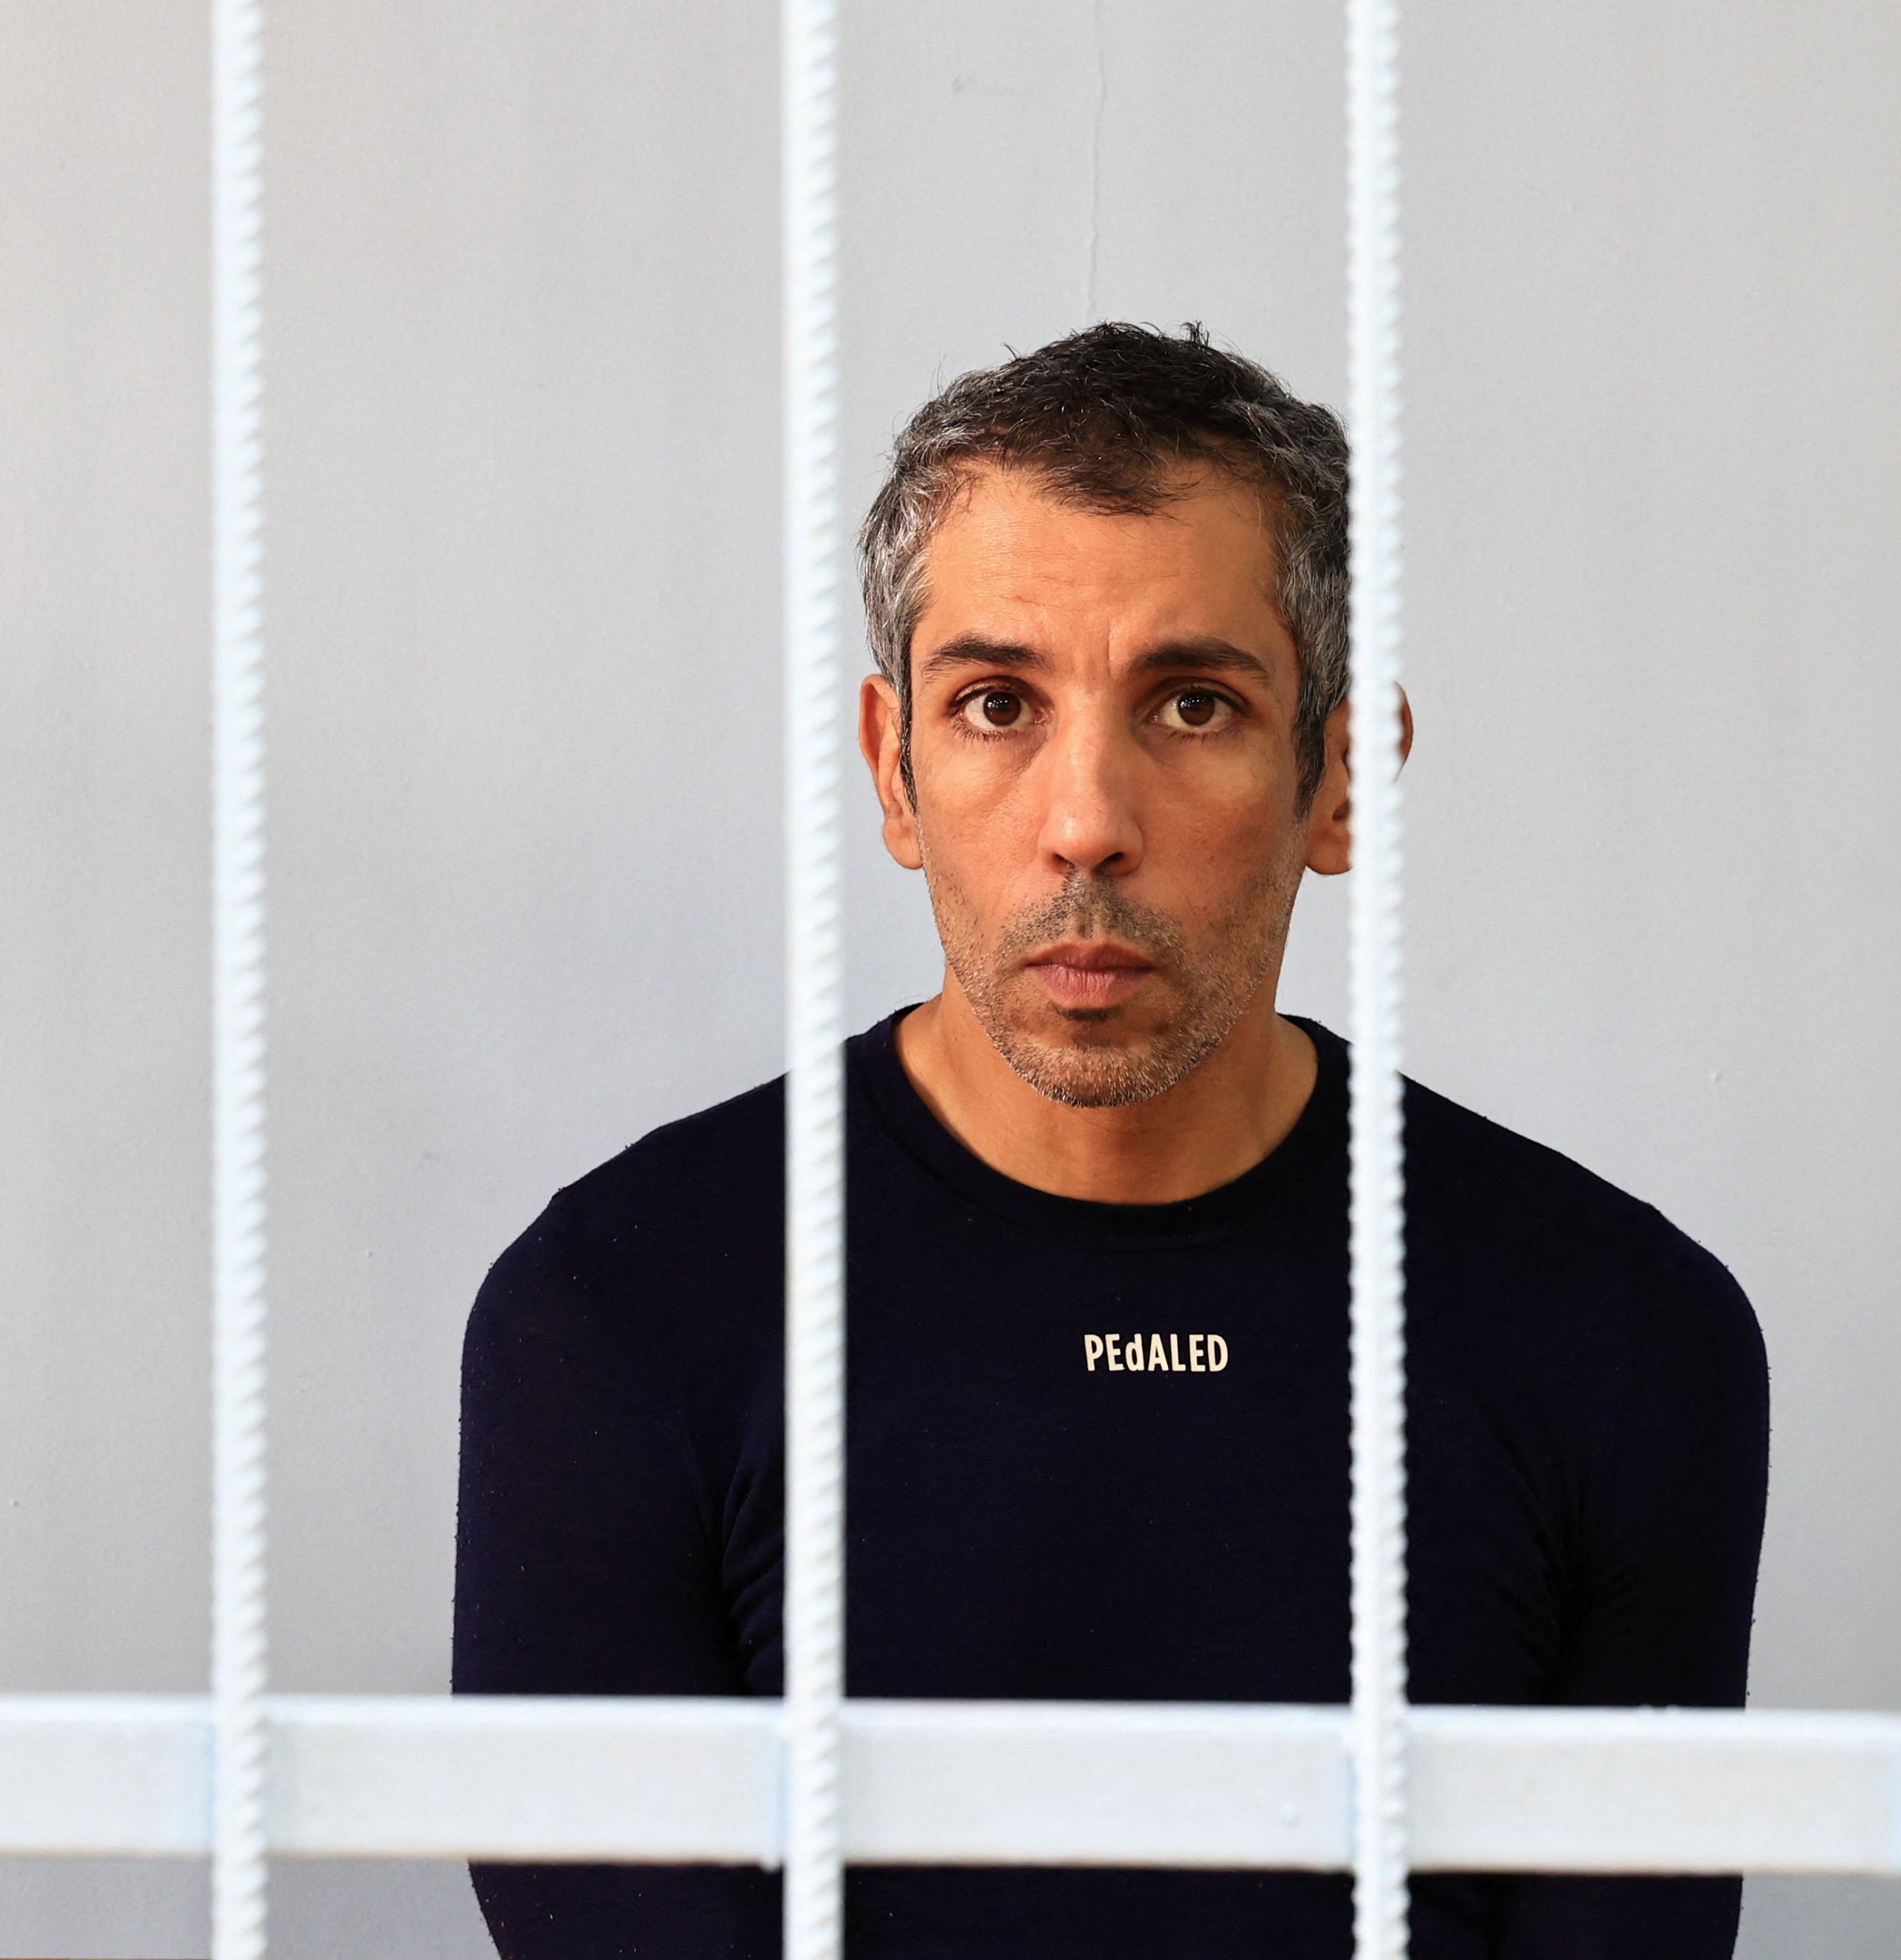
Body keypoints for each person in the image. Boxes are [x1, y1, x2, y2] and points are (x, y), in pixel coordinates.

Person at [453, 322, 1769, 1959]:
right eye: (996, 701)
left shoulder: (1621, 1336)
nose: (1085, 820)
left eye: (1192, 704)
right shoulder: (618, 1311)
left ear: (1342, 778)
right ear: (895, 767)